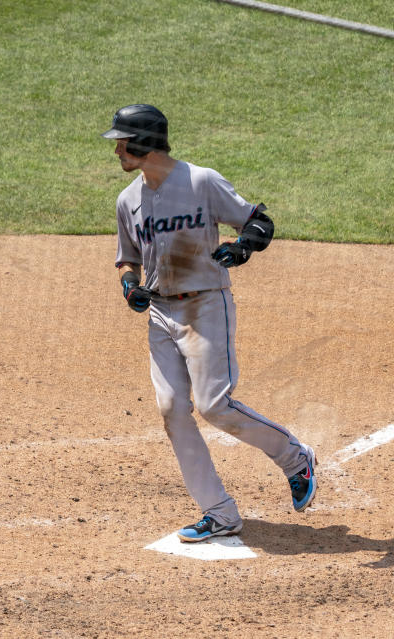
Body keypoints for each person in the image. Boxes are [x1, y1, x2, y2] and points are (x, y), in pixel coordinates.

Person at [102, 104, 317, 542]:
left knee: (214, 405)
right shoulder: (128, 199)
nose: (117, 149)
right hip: (160, 314)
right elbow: (127, 259)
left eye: (123, 140)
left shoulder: (201, 181)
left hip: (203, 307)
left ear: (144, 141)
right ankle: (218, 511)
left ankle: (295, 457)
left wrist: (241, 249)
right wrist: (130, 287)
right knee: (171, 410)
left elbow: (258, 222)